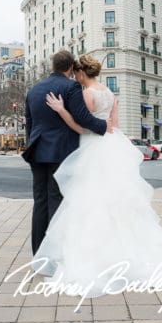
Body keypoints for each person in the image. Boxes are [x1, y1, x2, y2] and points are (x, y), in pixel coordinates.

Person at [33, 54, 162, 296]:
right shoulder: (111, 95)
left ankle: (94, 250)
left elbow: (83, 125)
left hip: (93, 145)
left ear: (80, 73)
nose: (76, 77)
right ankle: (125, 247)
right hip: (112, 145)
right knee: (115, 198)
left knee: (89, 199)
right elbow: (114, 124)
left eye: (77, 74)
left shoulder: (86, 94)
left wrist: (61, 110)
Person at [22, 49, 110, 255]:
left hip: (36, 150)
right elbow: (82, 118)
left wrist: (31, 144)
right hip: (60, 151)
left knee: (40, 201)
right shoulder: (71, 86)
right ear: (71, 68)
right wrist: (104, 127)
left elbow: (29, 123)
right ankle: (55, 254)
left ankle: (38, 253)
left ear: (53, 66)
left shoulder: (33, 89)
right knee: (56, 200)